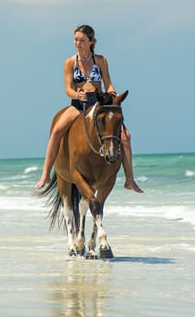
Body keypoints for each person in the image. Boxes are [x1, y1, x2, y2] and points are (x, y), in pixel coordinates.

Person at [35, 25, 143, 193]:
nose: (78, 43)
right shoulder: (70, 62)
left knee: (125, 137)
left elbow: (108, 83)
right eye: (76, 40)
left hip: (98, 103)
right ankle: (46, 174)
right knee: (56, 130)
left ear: (91, 42)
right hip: (79, 105)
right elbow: (68, 89)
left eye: (82, 40)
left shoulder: (100, 60)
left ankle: (130, 179)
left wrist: (112, 94)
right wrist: (77, 95)